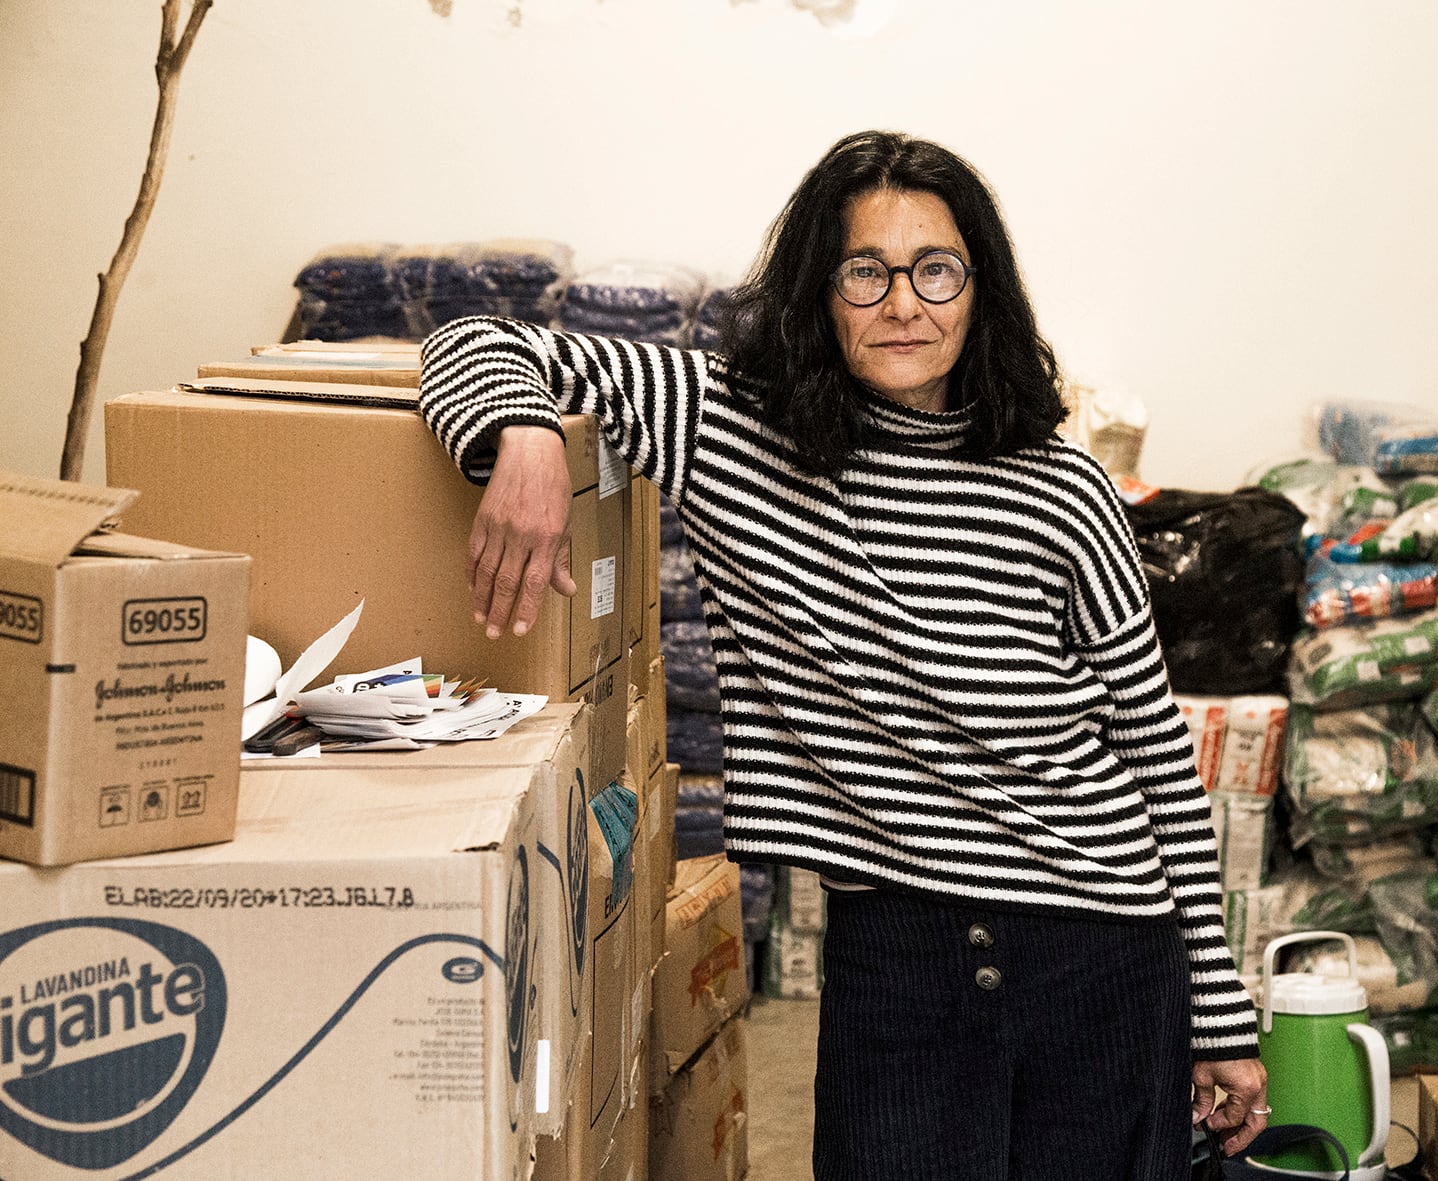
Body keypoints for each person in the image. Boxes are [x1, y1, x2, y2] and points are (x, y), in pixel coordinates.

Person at [419, 129, 1268, 1180]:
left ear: (980, 290)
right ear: (819, 293)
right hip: (897, 953)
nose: (903, 303)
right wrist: (527, 436)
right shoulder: (728, 428)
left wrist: (1218, 1008)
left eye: (936, 269)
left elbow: (1155, 753)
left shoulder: (1063, 489)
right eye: (866, 271)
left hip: (1098, 951)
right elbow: (471, 340)